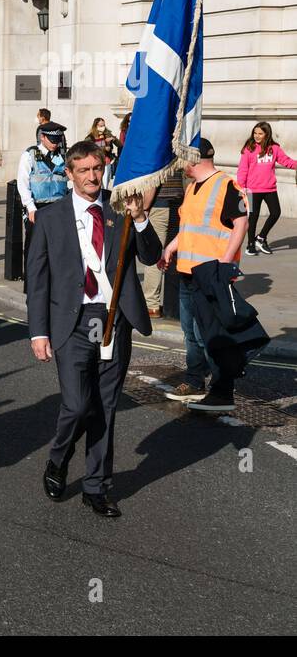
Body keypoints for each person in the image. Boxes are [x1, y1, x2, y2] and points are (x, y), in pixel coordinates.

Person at [27, 141, 160, 518]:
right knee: (77, 405)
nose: (91, 176)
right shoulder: (50, 218)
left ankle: (96, 486)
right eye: (83, 170)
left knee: (105, 408)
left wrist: (140, 218)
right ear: (69, 175)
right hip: (73, 321)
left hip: (115, 318)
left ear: (104, 170)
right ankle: (59, 457)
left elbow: (152, 255)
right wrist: (39, 332)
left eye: (96, 169)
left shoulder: (121, 211)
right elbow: (37, 281)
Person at [162, 139, 250, 409]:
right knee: (190, 332)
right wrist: (171, 247)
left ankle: (223, 391)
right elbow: (190, 226)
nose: (178, 164)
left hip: (211, 274)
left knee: (210, 334)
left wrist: (225, 262)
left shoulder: (226, 185)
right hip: (187, 272)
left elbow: (241, 222)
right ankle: (195, 379)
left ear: (193, 158)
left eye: (181, 158)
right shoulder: (192, 189)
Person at [17, 121, 69, 284]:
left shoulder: (63, 156)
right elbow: (22, 183)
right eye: (52, 140)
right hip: (37, 208)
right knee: (35, 249)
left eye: (58, 140)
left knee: (58, 248)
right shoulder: (30, 155)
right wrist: (30, 207)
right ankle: (32, 283)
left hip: (59, 207)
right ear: (43, 137)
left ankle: (55, 282)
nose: (55, 144)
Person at [238, 121, 295, 256]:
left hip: (269, 189)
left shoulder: (274, 148)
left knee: (276, 213)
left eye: (260, 133)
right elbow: (242, 170)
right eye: (255, 133)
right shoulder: (249, 148)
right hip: (252, 190)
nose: (257, 136)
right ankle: (250, 244)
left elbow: (286, 161)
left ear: (266, 134)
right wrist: (241, 187)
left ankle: (261, 238)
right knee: (253, 217)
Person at [139, 176, 183, 319]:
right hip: (178, 201)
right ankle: (173, 306)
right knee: (172, 254)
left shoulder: (157, 153)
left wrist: (145, 208)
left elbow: (154, 179)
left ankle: (152, 305)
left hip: (159, 203)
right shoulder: (177, 153)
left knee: (153, 255)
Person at [86, 117, 120, 190]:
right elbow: (88, 147)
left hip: (106, 161)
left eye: (103, 125)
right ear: (96, 126)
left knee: (106, 182)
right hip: (96, 161)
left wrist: (114, 139)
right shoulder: (91, 137)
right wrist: (104, 148)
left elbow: (119, 144)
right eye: (100, 126)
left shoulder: (107, 134)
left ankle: (105, 196)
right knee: (97, 181)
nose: (103, 127)